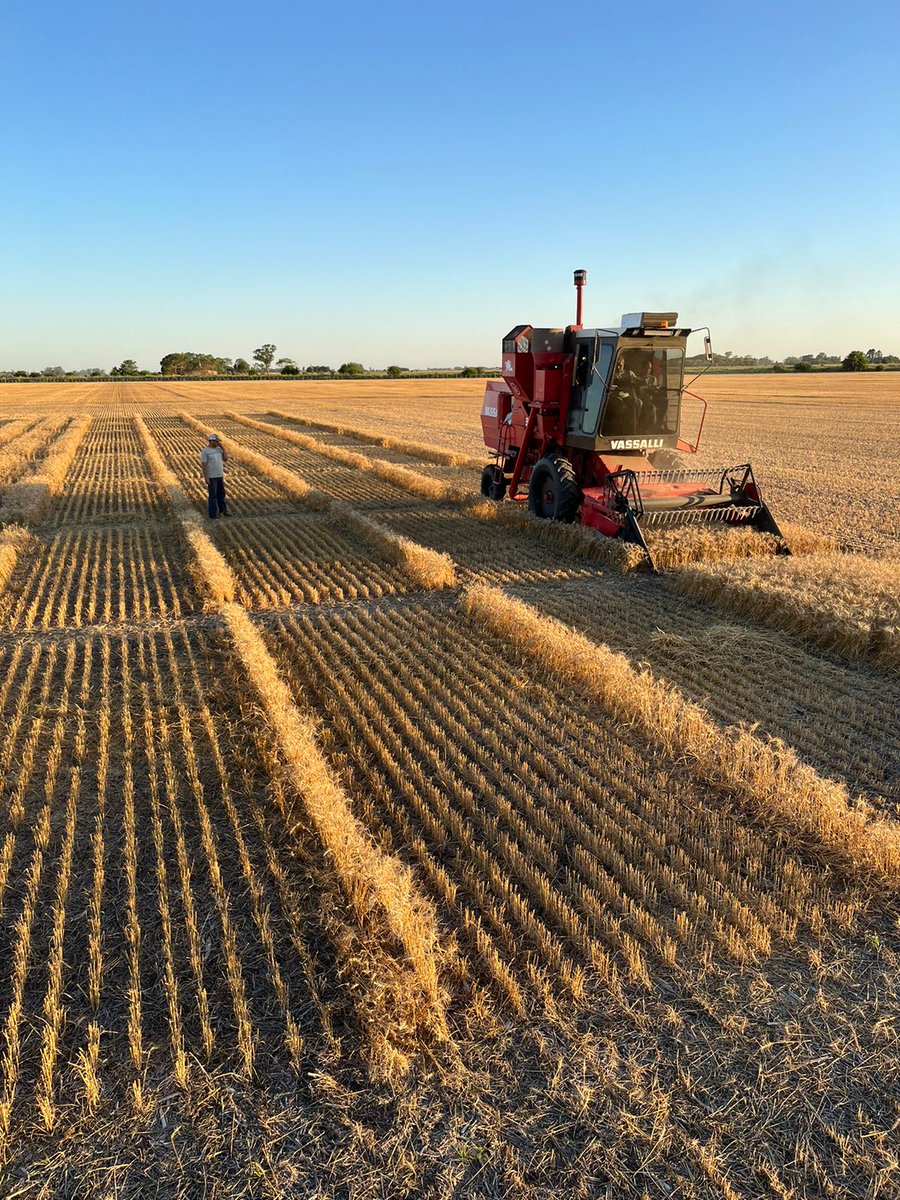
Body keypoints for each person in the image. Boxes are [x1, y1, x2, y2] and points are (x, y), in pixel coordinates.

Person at [200, 433, 229, 518]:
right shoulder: (205, 451)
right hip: (211, 477)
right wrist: (206, 477)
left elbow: (226, 459)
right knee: (213, 496)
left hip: (220, 475)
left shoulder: (219, 449)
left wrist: (223, 448)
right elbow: (204, 465)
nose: (218, 443)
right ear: (211, 441)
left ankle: (223, 511)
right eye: (216, 441)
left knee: (221, 494)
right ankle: (213, 514)